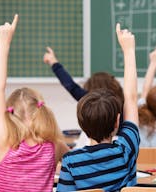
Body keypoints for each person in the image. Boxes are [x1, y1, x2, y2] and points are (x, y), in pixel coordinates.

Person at [57, 23, 139, 191]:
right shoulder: (126, 150)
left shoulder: (71, 161)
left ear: (82, 125)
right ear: (118, 121)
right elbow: (130, 99)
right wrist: (128, 50)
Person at [0, 15, 69, 192]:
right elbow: (75, 161)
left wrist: (4, 43)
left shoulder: (3, 141)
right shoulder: (54, 145)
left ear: (9, 113)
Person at [44, 47, 124, 148]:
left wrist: (53, 61)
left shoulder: (89, 101)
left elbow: (70, 85)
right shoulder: (123, 106)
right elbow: (132, 96)